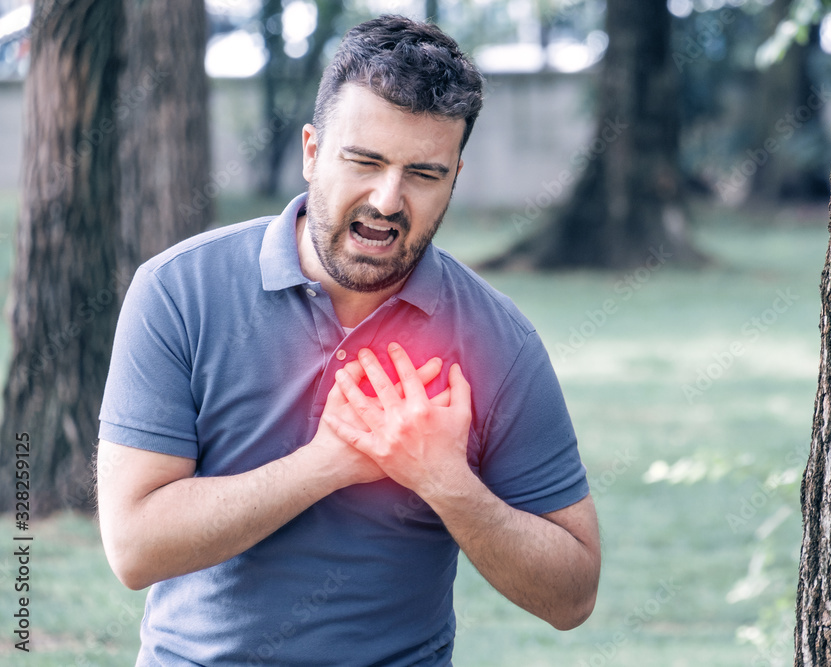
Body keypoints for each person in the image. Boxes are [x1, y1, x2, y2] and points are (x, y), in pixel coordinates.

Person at [96, 14, 600, 667]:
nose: (388, 199)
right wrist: (330, 462)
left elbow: (572, 595)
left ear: (455, 175)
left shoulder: (498, 340)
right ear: (312, 150)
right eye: (365, 161)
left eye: (424, 173)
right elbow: (134, 547)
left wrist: (445, 479)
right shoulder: (177, 291)